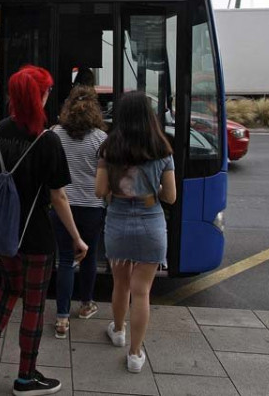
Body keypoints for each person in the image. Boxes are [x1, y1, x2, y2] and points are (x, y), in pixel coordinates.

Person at [0, 65, 88, 396]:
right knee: (34, 305)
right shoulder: (47, 140)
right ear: (38, 97)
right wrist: (77, 237)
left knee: (8, 290)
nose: (49, 95)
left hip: (3, 233)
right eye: (47, 91)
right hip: (35, 236)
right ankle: (25, 377)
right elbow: (58, 195)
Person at [95, 90, 176, 373]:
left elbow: (99, 191)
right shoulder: (162, 149)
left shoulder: (109, 150)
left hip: (117, 222)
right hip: (151, 223)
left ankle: (118, 332)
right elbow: (171, 197)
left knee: (121, 284)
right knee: (142, 292)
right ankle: (135, 354)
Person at [50, 85, 108, 339]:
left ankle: (62, 317)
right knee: (90, 256)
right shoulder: (100, 139)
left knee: (64, 259)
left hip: (62, 206)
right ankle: (86, 304)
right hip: (92, 208)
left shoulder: (55, 134)